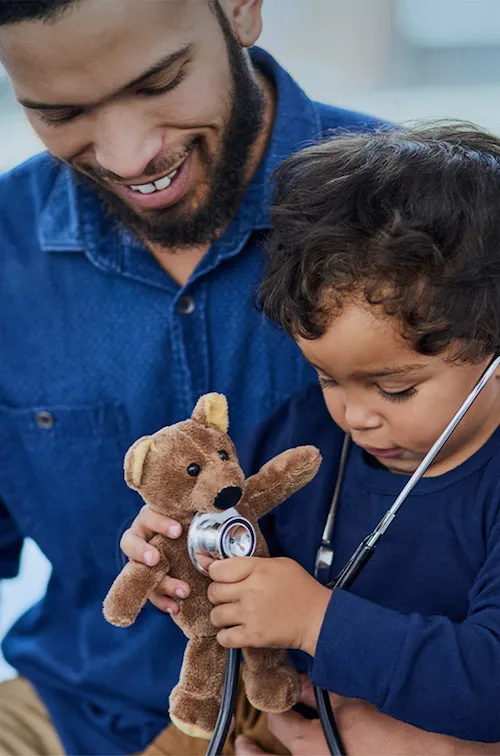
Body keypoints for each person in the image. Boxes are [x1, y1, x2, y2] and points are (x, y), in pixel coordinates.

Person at [0, 0, 387, 753]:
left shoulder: (448, 215)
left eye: (160, 83)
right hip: (80, 712)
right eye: (61, 113)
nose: (126, 155)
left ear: (241, 8)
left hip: (374, 719)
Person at [135, 122, 500, 755]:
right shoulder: (304, 432)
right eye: (329, 378)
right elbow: (244, 544)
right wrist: (183, 551)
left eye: (395, 389)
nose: (354, 417)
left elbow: (490, 681)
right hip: (274, 713)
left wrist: (315, 620)